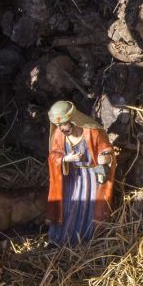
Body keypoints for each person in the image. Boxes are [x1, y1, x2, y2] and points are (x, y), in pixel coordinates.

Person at [46, 100, 115, 245]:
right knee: (67, 208)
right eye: (58, 125)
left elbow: (106, 149)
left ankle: (87, 239)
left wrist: (104, 156)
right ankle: (61, 239)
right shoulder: (59, 135)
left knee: (87, 208)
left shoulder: (93, 131)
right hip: (70, 179)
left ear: (73, 120)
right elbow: (53, 156)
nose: (61, 128)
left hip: (90, 179)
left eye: (64, 124)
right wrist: (65, 159)